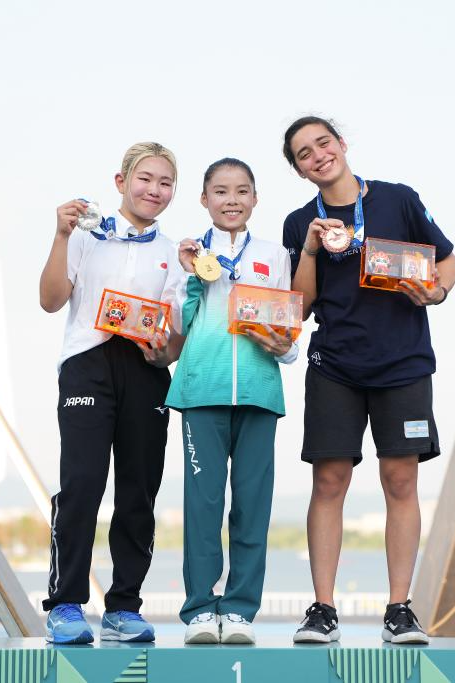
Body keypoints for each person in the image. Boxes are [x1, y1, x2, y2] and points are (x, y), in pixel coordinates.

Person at [281, 116, 455, 645]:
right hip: (334, 365)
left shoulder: (398, 199)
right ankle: (323, 609)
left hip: (403, 363)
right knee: (329, 482)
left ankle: (400, 609)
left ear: (341, 144)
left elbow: (446, 261)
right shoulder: (299, 222)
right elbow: (300, 306)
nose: (318, 155)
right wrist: (311, 249)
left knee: (400, 481)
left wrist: (437, 292)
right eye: (304, 154)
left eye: (323, 143)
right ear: (299, 170)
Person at [38, 142, 185, 644]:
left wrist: (163, 352)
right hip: (87, 364)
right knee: (82, 482)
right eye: (145, 178)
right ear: (121, 182)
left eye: (165, 183)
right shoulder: (84, 234)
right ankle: (65, 604)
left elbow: (173, 342)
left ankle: (124, 608)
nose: (154, 190)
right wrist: (61, 234)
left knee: (139, 489)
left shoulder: (174, 254)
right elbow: (50, 301)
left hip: (145, 370)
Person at [165, 158, 298, 645]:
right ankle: (200, 610)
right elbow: (177, 323)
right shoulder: (188, 254)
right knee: (203, 505)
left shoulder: (275, 255)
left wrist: (285, 347)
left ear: (255, 199)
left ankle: (240, 610)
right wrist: (192, 276)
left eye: (242, 191)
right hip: (203, 390)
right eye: (220, 191)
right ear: (204, 199)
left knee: (253, 506)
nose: (232, 200)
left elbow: (286, 331)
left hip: (260, 392)